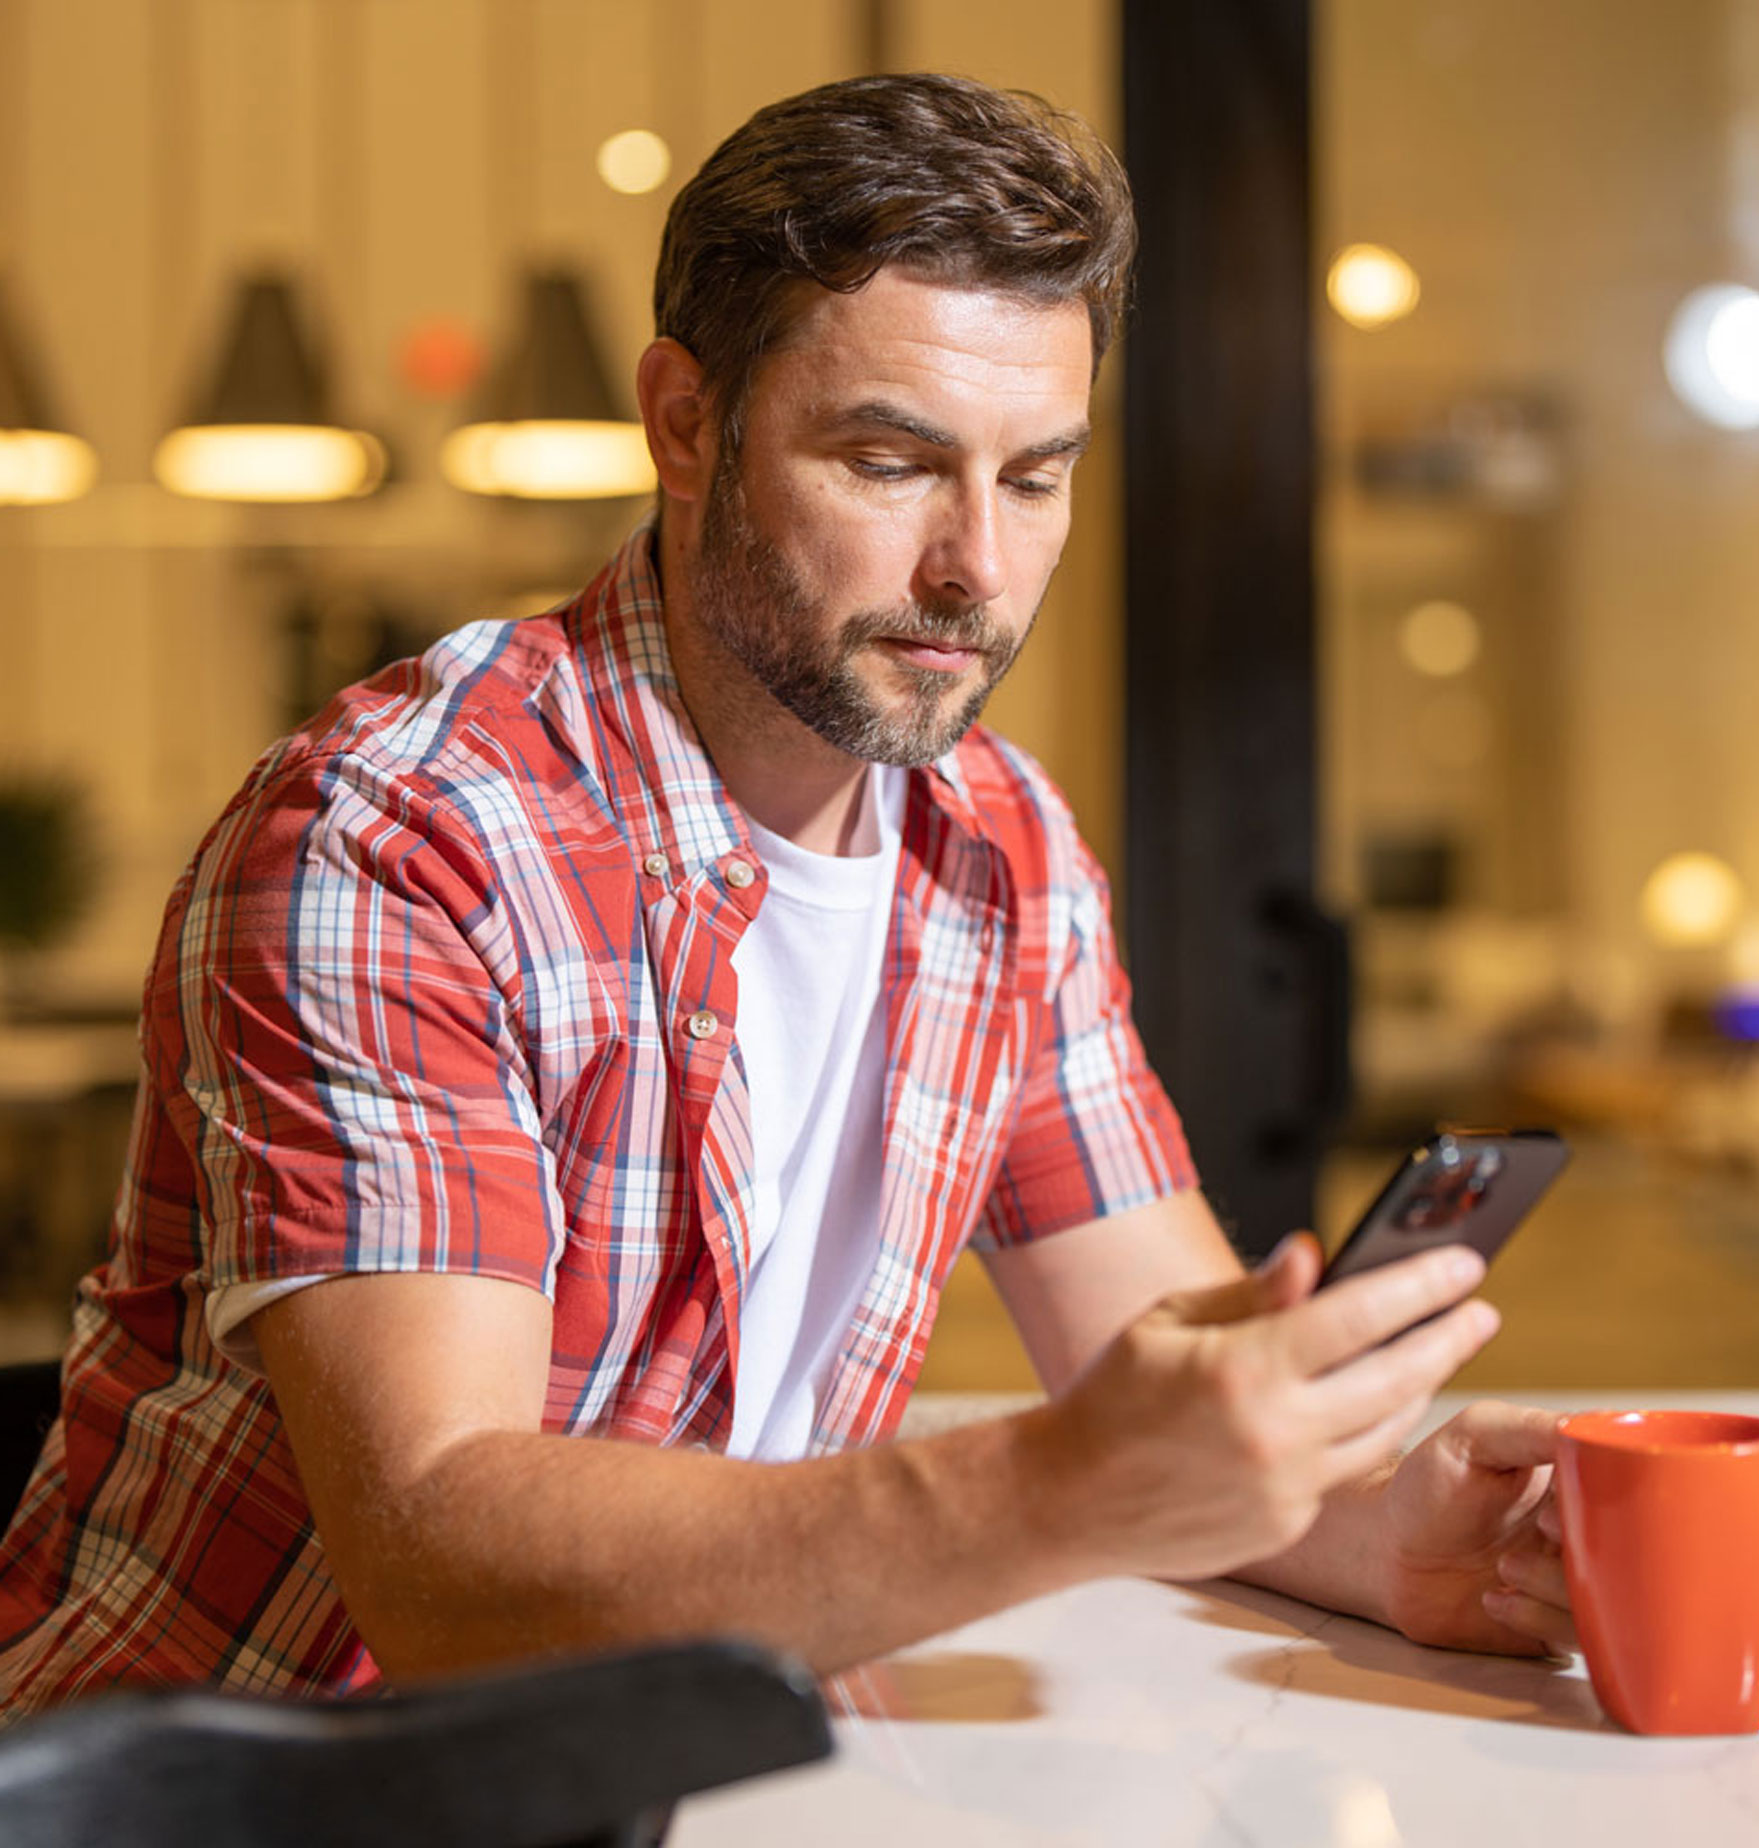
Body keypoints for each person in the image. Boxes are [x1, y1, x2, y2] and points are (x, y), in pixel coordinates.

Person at [0, 72, 1572, 1717]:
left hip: (661, 1764)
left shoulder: (1001, 849)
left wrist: (1390, 1529)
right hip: (232, 1801)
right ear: (686, 423)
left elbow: (1151, 1368)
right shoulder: (403, 841)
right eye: (893, 462)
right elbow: (444, 1564)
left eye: (1035, 479)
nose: (976, 565)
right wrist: (1052, 1489)